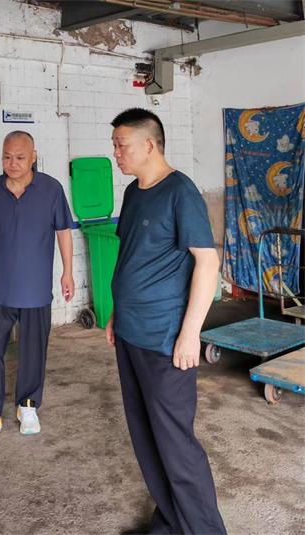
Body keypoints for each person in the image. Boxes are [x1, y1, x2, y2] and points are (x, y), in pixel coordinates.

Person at [106, 109, 226, 534]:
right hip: (131, 333)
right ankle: (173, 523)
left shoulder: (181, 192)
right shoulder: (133, 193)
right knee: (146, 437)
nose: (116, 153)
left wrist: (190, 334)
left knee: (176, 445)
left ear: (149, 144)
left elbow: (207, 263)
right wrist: (116, 311)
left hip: (164, 338)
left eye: (122, 145)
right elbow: (131, 256)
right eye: (115, 145)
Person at [0, 131, 75, 449]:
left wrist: (68, 272)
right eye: (7, 157)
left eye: (20, 157)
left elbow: (64, 232)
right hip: (0, 287)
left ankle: (27, 406)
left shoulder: (51, 189)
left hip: (36, 289)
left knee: (33, 350)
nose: (12, 163)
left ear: (34, 157)